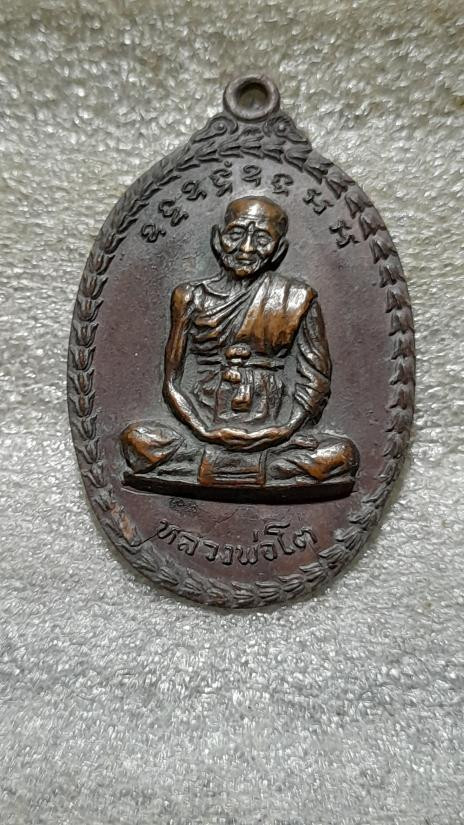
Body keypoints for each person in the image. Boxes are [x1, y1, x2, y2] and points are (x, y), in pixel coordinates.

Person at [121, 196, 358, 490]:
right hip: (200, 428)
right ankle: (254, 471)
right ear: (217, 239)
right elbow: (171, 382)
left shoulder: (297, 297)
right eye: (236, 234)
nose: (246, 248)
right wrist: (203, 430)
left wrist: (283, 430)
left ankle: (204, 468)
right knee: (136, 440)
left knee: (343, 455)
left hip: (275, 433)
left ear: (279, 249)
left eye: (262, 239)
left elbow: (316, 379)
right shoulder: (189, 296)